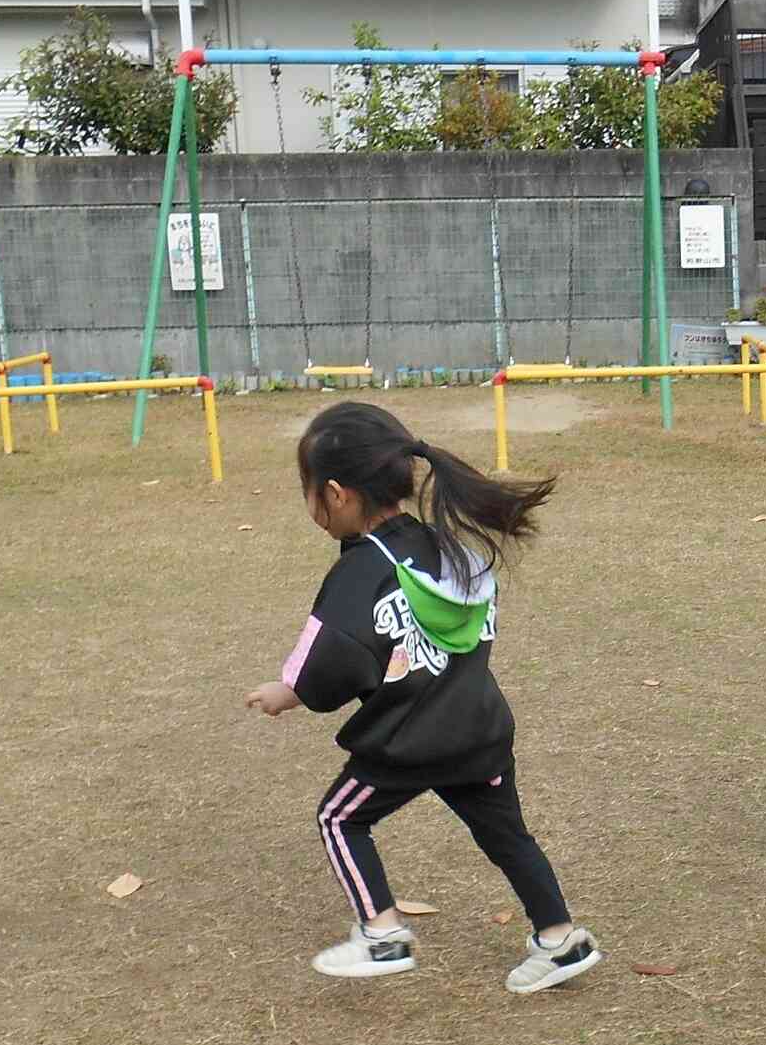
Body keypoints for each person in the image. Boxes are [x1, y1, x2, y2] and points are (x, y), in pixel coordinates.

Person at [247, 401, 600, 994]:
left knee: (339, 819)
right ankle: (559, 939)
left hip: (410, 742)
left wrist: (290, 692)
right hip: (478, 728)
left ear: (335, 494)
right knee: (508, 834)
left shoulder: (359, 572)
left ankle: (381, 934)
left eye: (307, 492)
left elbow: (330, 661)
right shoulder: (448, 544)